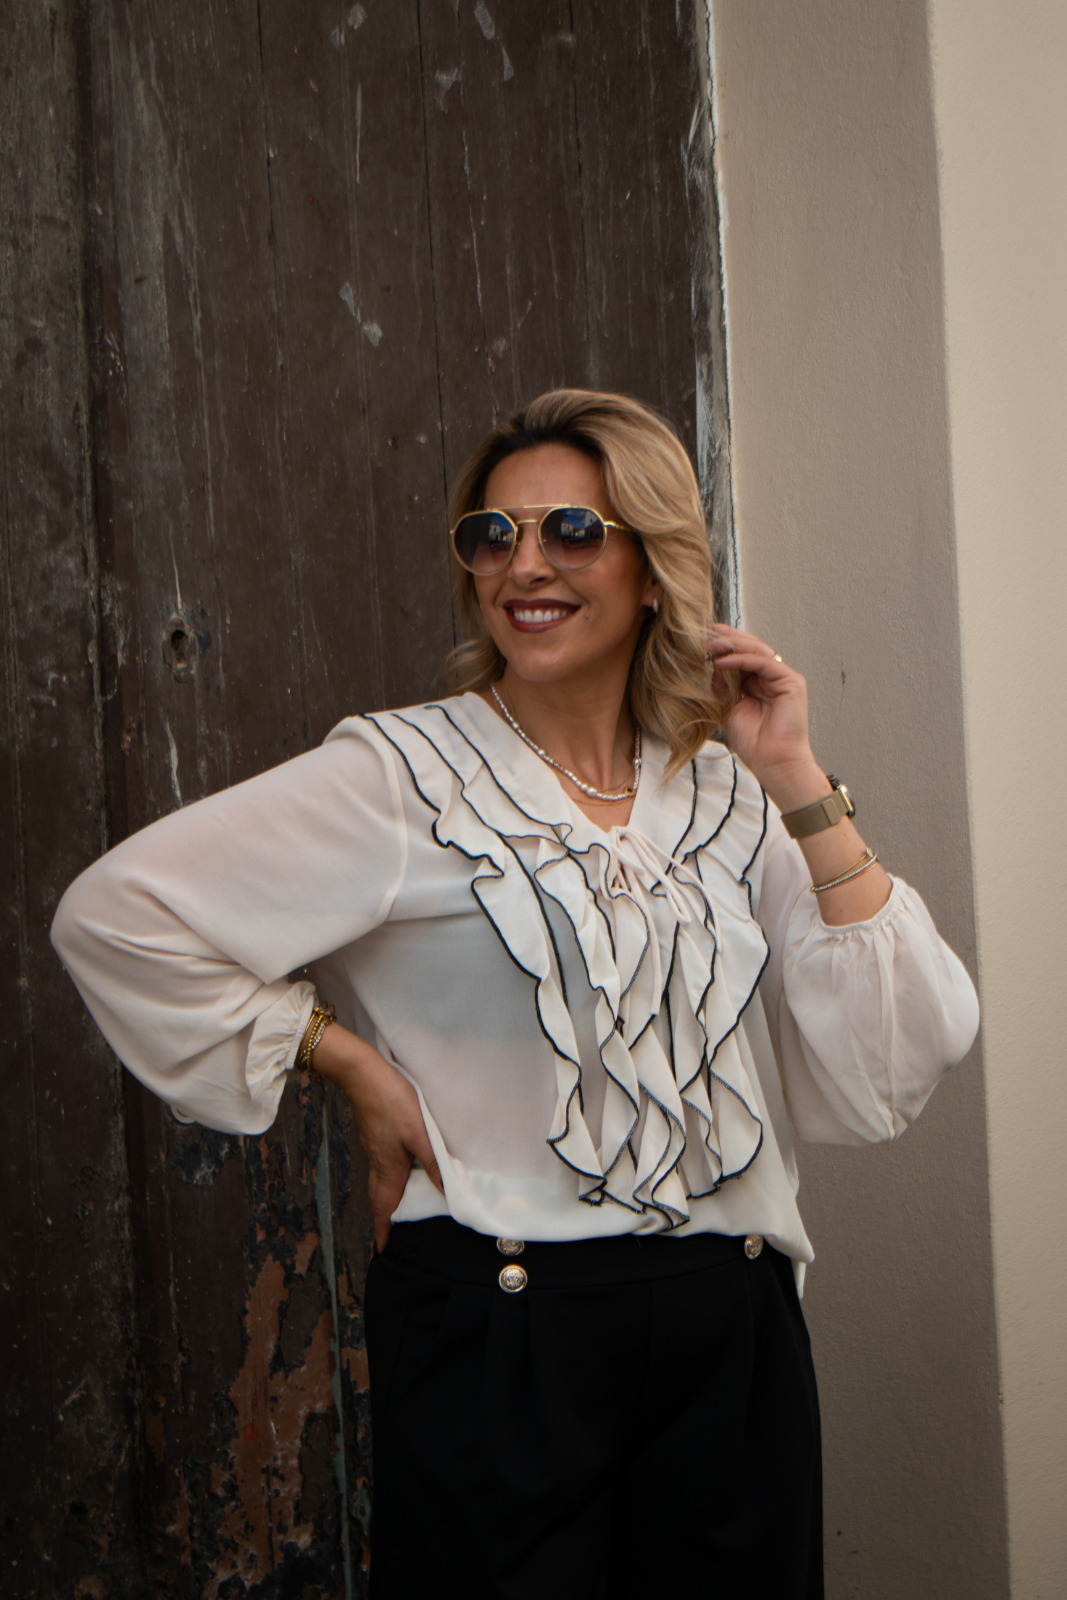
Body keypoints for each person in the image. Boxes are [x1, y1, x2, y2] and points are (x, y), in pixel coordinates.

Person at [52, 389, 979, 1599]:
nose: (522, 564)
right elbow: (117, 913)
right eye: (491, 535)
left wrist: (795, 775)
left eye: (570, 531)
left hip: (731, 1321)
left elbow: (901, 1047)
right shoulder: (401, 774)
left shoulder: (725, 788)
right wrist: (335, 1053)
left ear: (653, 570)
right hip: (502, 1326)